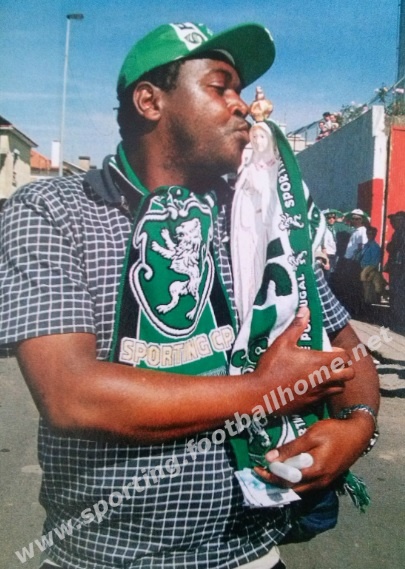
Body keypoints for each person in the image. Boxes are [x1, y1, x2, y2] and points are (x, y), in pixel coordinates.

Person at [0, 22, 379, 569]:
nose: (243, 106)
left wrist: (356, 426)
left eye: (241, 91)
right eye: (220, 87)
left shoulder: (256, 219)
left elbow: (347, 344)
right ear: (150, 101)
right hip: (109, 557)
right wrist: (263, 391)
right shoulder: (55, 211)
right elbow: (72, 394)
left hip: (253, 552)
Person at [384, 211, 405, 330]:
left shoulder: (401, 233)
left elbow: (394, 247)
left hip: (401, 268)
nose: (393, 223)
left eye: (397, 220)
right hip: (396, 267)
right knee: (395, 293)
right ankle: (396, 317)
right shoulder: (397, 233)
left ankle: (399, 319)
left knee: (399, 293)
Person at [359, 226, 384, 316]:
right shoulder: (366, 245)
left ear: (375, 234)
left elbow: (375, 262)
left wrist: (367, 272)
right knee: (365, 291)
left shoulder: (375, 247)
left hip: (369, 270)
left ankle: (369, 312)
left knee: (369, 292)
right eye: (368, 233)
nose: (370, 235)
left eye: (372, 233)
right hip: (363, 268)